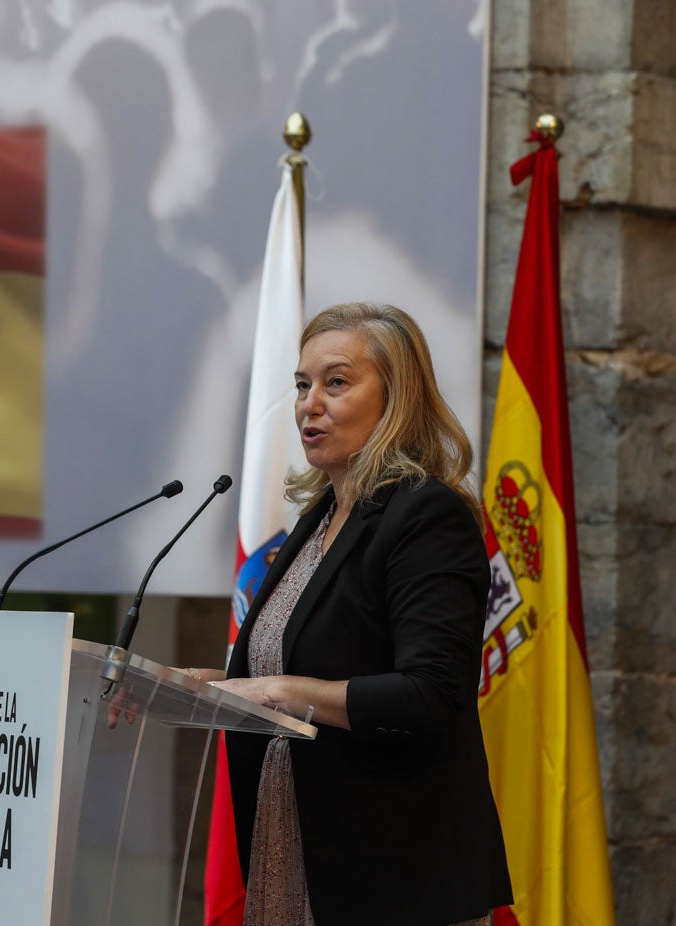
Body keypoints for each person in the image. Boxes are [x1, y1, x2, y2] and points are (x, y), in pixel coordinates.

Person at [197, 302, 512, 925]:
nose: (309, 403)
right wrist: (188, 686)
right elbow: (282, 666)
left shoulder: (426, 517)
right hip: (292, 852)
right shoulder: (316, 522)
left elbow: (431, 695)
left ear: (397, 398)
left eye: (336, 382)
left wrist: (286, 690)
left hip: (391, 877)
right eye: (301, 384)